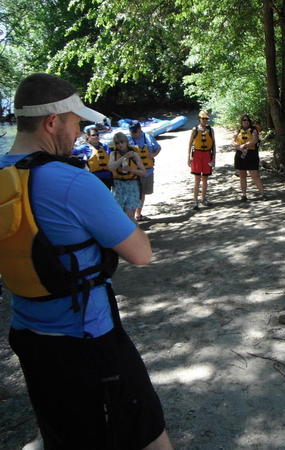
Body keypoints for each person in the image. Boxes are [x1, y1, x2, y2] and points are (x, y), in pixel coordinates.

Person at [0, 73, 172, 448]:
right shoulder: (72, 181)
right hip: (89, 340)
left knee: (65, 433)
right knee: (150, 435)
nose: (80, 133)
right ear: (51, 122)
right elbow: (141, 254)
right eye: (76, 123)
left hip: (29, 337)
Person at [109, 132, 147, 222]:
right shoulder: (113, 154)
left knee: (130, 216)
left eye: (122, 142)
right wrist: (124, 157)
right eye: (117, 143)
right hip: (118, 186)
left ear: (126, 142)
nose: (120, 145)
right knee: (119, 215)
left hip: (132, 186)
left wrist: (131, 170)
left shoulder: (134, 154)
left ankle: (134, 234)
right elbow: (111, 167)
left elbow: (144, 173)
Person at [128, 121, 161, 221]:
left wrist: (153, 155)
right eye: (131, 131)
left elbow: (158, 147)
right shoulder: (129, 139)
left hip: (148, 171)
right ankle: (131, 216)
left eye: (134, 131)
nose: (133, 134)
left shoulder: (148, 137)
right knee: (134, 193)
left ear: (139, 130)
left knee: (142, 193)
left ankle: (138, 215)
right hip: (135, 172)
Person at [232, 114, 265, 201]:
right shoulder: (238, 130)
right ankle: (244, 195)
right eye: (243, 120)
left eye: (247, 120)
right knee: (242, 175)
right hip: (240, 155)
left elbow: (255, 140)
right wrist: (239, 147)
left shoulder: (254, 130)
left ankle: (262, 194)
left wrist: (245, 145)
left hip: (251, 155)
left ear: (249, 121)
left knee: (255, 175)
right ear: (241, 122)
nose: (245, 122)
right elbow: (232, 141)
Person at [187, 110, 216, 208]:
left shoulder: (210, 130)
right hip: (197, 155)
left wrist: (214, 159)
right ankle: (195, 201)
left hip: (207, 155)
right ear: (199, 119)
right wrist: (189, 157)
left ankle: (203, 199)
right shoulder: (195, 130)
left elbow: (214, 145)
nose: (205, 120)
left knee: (205, 179)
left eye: (206, 118)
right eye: (203, 118)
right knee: (197, 179)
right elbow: (190, 143)